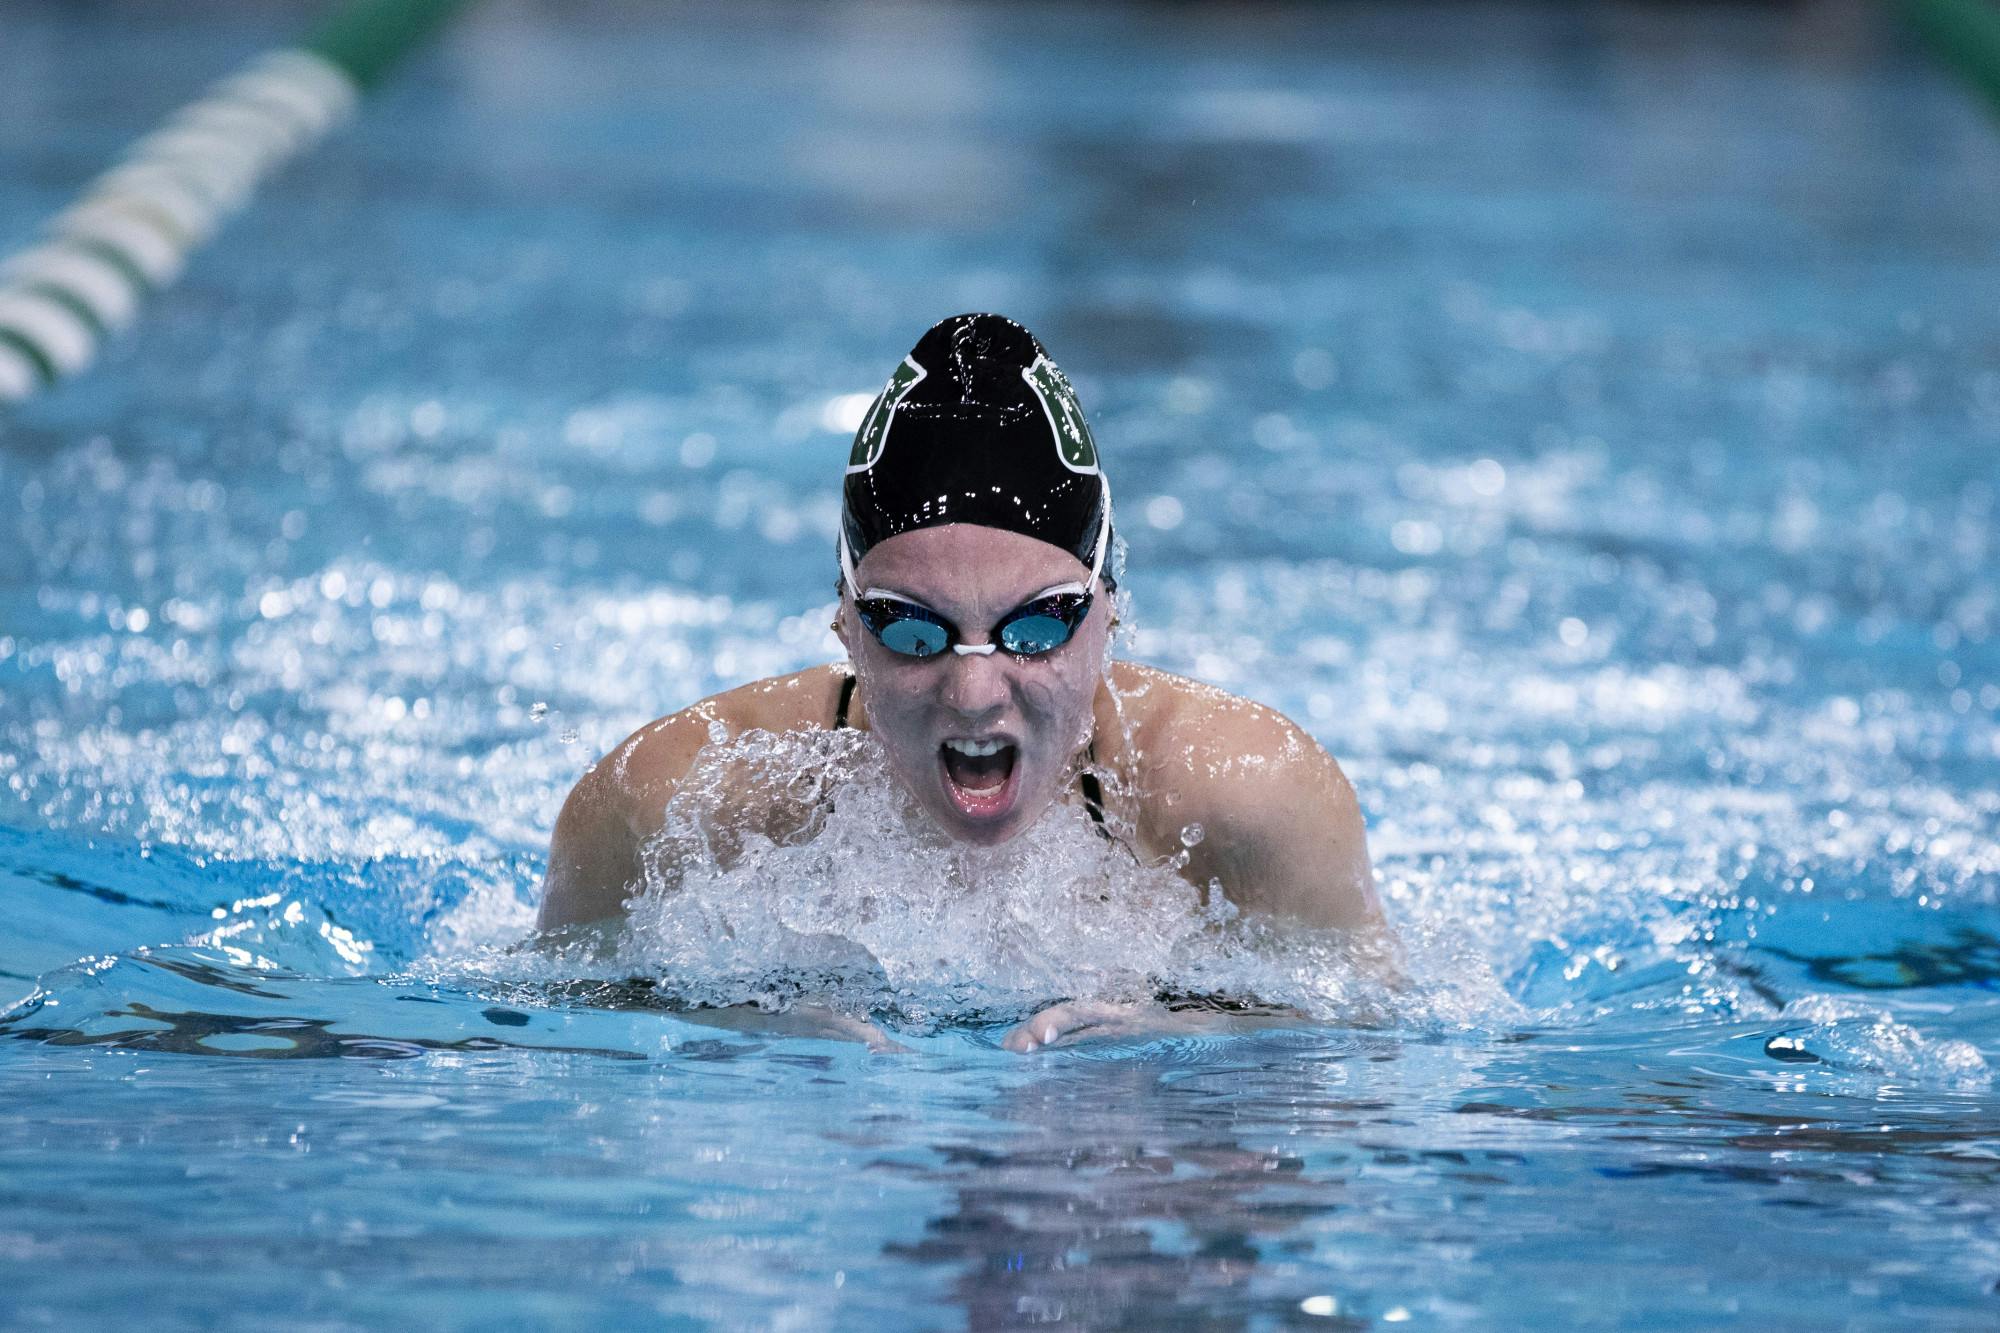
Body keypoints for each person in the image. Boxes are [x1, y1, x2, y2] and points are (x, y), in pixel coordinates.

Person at [538, 313, 1387, 1051]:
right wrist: (718, 1032)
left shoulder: (1253, 802)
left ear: (1111, 606)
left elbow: (1384, 1038)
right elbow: (529, 1027)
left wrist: (1196, 1038)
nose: (976, 691)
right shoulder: (669, 807)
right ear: (844, 619)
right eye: (911, 628)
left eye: (1037, 624)